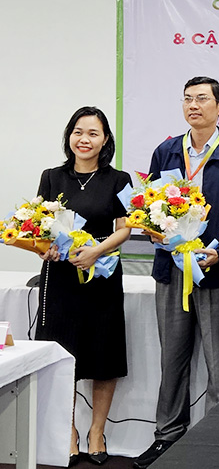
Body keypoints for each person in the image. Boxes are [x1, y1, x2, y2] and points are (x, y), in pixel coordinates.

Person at [134, 77, 219, 468]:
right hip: (171, 270)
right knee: (172, 359)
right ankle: (167, 436)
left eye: (202, 99)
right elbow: (150, 204)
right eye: (187, 98)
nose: (193, 105)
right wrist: (154, 230)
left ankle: (215, 442)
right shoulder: (166, 151)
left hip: (217, 272)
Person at [36, 106, 131, 466]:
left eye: (93, 133)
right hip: (61, 279)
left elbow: (126, 228)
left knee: (104, 355)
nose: (84, 139)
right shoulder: (51, 177)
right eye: (78, 132)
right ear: (69, 136)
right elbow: (40, 225)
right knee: (65, 357)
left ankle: (96, 432)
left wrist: (96, 251)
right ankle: (69, 432)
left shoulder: (119, 179)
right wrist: (44, 248)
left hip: (102, 274)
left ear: (105, 140)